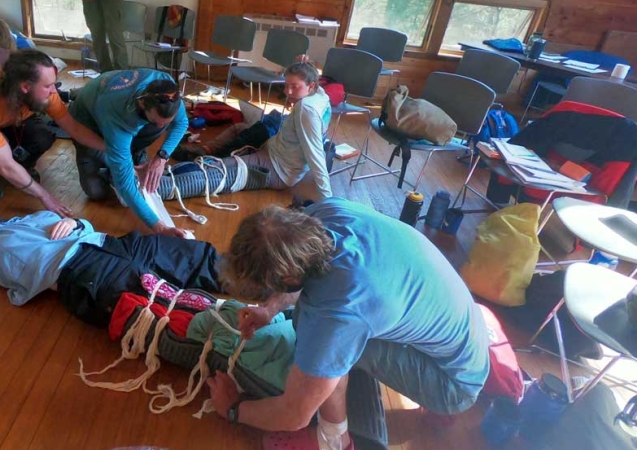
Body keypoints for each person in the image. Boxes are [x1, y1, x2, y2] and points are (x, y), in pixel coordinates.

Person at [207, 199, 490, 450]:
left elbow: (293, 414)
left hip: (453, 386)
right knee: (329, 334)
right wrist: (269, 309)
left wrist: (234, 409)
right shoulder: (327, 212)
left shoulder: (339, 310)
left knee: (314, 331)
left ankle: (333, 440)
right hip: (466, 337)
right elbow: (302, 270)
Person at [0, 193, 220, 325]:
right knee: (172, 312)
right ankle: (246, 331)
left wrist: (76, 224)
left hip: (110, 244)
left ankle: (259, 276)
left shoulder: (30, 219)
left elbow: (88, 227)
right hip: (83, 273)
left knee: (196, 256)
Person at [0, 49, 105, 214]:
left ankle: (23, 166)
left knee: (42, 136)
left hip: (9, 118)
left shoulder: (44, 92)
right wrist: (45, 197)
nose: (54, 91)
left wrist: (112, 149)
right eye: (48, 86)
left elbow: (74, 128)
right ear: (25, 87)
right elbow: (5, 164)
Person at [177, 61, 333, 201]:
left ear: (311, 86)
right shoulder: (320, 94)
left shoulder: (307, 109)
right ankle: (204, 151)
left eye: (294, 87)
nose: (287, 92)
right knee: (239, 129)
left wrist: (328, 201)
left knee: (216, 168)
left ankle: (173, 176)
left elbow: (315, 154)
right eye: (286, 85)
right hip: (272, 147)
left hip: (276, 167)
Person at [69, 69, 189, 237]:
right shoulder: (117, 113)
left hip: (120, 113)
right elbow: (125, 185)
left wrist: (162, 156)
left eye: (165, 123)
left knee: (154, 128)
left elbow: (182, 123)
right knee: (96, 192)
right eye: (156, 121)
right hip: (88, 124)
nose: (162, 126)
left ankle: (129, 157)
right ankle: (119, 162)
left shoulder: (167, 90)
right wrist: (160, 228)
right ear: (141, 104)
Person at [82, 0, 129, 72]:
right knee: (97, 39)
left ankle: (121, 75)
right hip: (90, 2)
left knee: (116, 39)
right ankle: (105, 73)